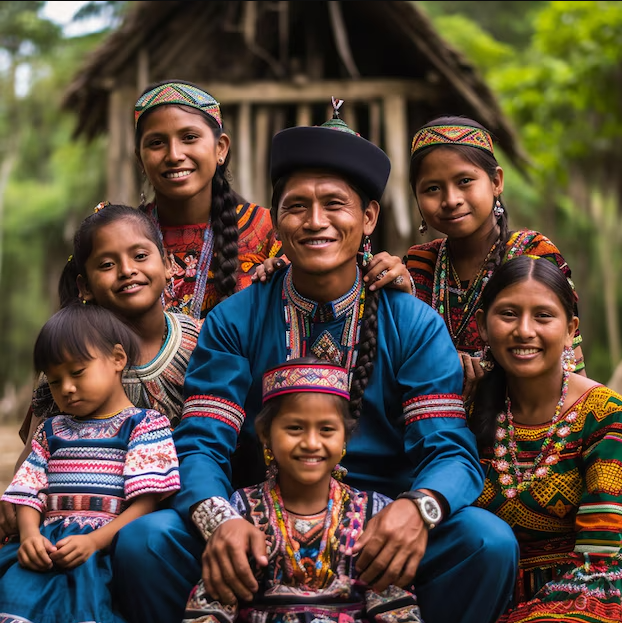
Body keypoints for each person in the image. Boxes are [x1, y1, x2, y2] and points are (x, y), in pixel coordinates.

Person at [111, 100, 519, 623]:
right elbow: (200, 444)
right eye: (297, 206)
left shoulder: (411, 322)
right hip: (258, 532)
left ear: (369, 217)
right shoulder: (237, 318)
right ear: (276, 220)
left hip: (380, 536)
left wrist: (417, 509)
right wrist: (220, 523)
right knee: (148, 541)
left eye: (335, 204)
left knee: (487, 543)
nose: (315, 222)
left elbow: (450, 452)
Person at [1, 202, 200, 542]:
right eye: (107, 264)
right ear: (84, 287)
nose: (126, 270)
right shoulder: (67, 362)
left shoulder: (201, 343)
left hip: (169, 519)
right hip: (69, 528)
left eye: (140, 256)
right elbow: (36, 453)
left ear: (168, 265)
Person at [183, 357, 423, 623]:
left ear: (344, 437)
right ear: (265, 434)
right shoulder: (242, 513)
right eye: (295, 428)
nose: (311, 442)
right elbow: (213, 605)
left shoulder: (373, 515)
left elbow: (396, 609)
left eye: (327, 430)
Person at [0, 303, 180, 623]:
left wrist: (94, 541)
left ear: (117, 359)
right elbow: (28, 488)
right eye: (55, 381)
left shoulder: (144, 426)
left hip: (103, 548)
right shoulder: (51, 431)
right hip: (47, 545)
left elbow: (146, 503)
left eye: (77, 372)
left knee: (87, 606)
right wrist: (29, 535)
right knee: (15, 596)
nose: (66, 388)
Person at [470, 255, 622, 623]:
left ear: (571, 329)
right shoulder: (467, 410)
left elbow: (600, 558)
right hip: (483, 596)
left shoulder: (602, 413)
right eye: (508, 314)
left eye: (543, 316)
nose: (524, 330)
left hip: (587, 594)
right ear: (482, 326)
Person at [402, 116, 585, 400]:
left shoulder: (533, 254)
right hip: (433, 424)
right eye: (432, 189)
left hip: (525, 422)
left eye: (464, 181)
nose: (451, 199)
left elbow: (570, 363)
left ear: (496, 181)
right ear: (416, 196)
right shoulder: (419, 266)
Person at [134, 79, 282, 319]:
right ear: (140, 160)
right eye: (157, 143)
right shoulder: (122, 238)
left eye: (189, 137)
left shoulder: (268, 231)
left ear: (220, 148)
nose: (174, 155)